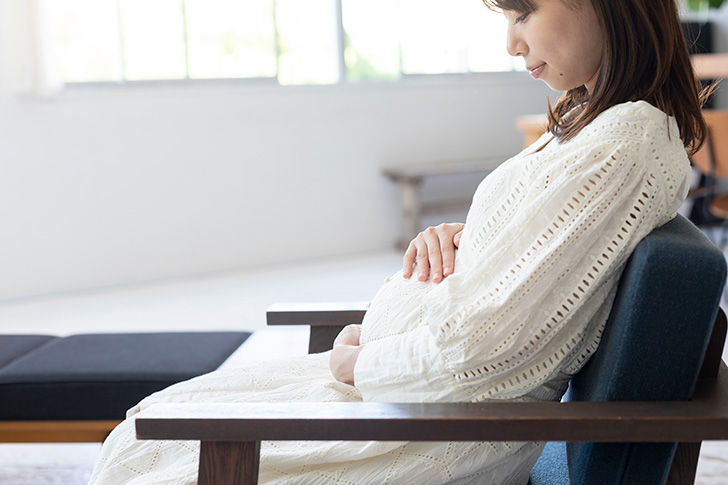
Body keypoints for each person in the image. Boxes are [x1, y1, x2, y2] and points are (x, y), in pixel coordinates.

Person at [90, 0, 708, 483]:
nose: (511, 43)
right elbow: (532, 260)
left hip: (435, 429)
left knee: (155, 457)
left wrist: (358, 362)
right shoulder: (592, 123)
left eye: (525, 14)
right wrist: (461, 238)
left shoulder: (624, 144)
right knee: (142, 430)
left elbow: (485, 348)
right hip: (406, 399)